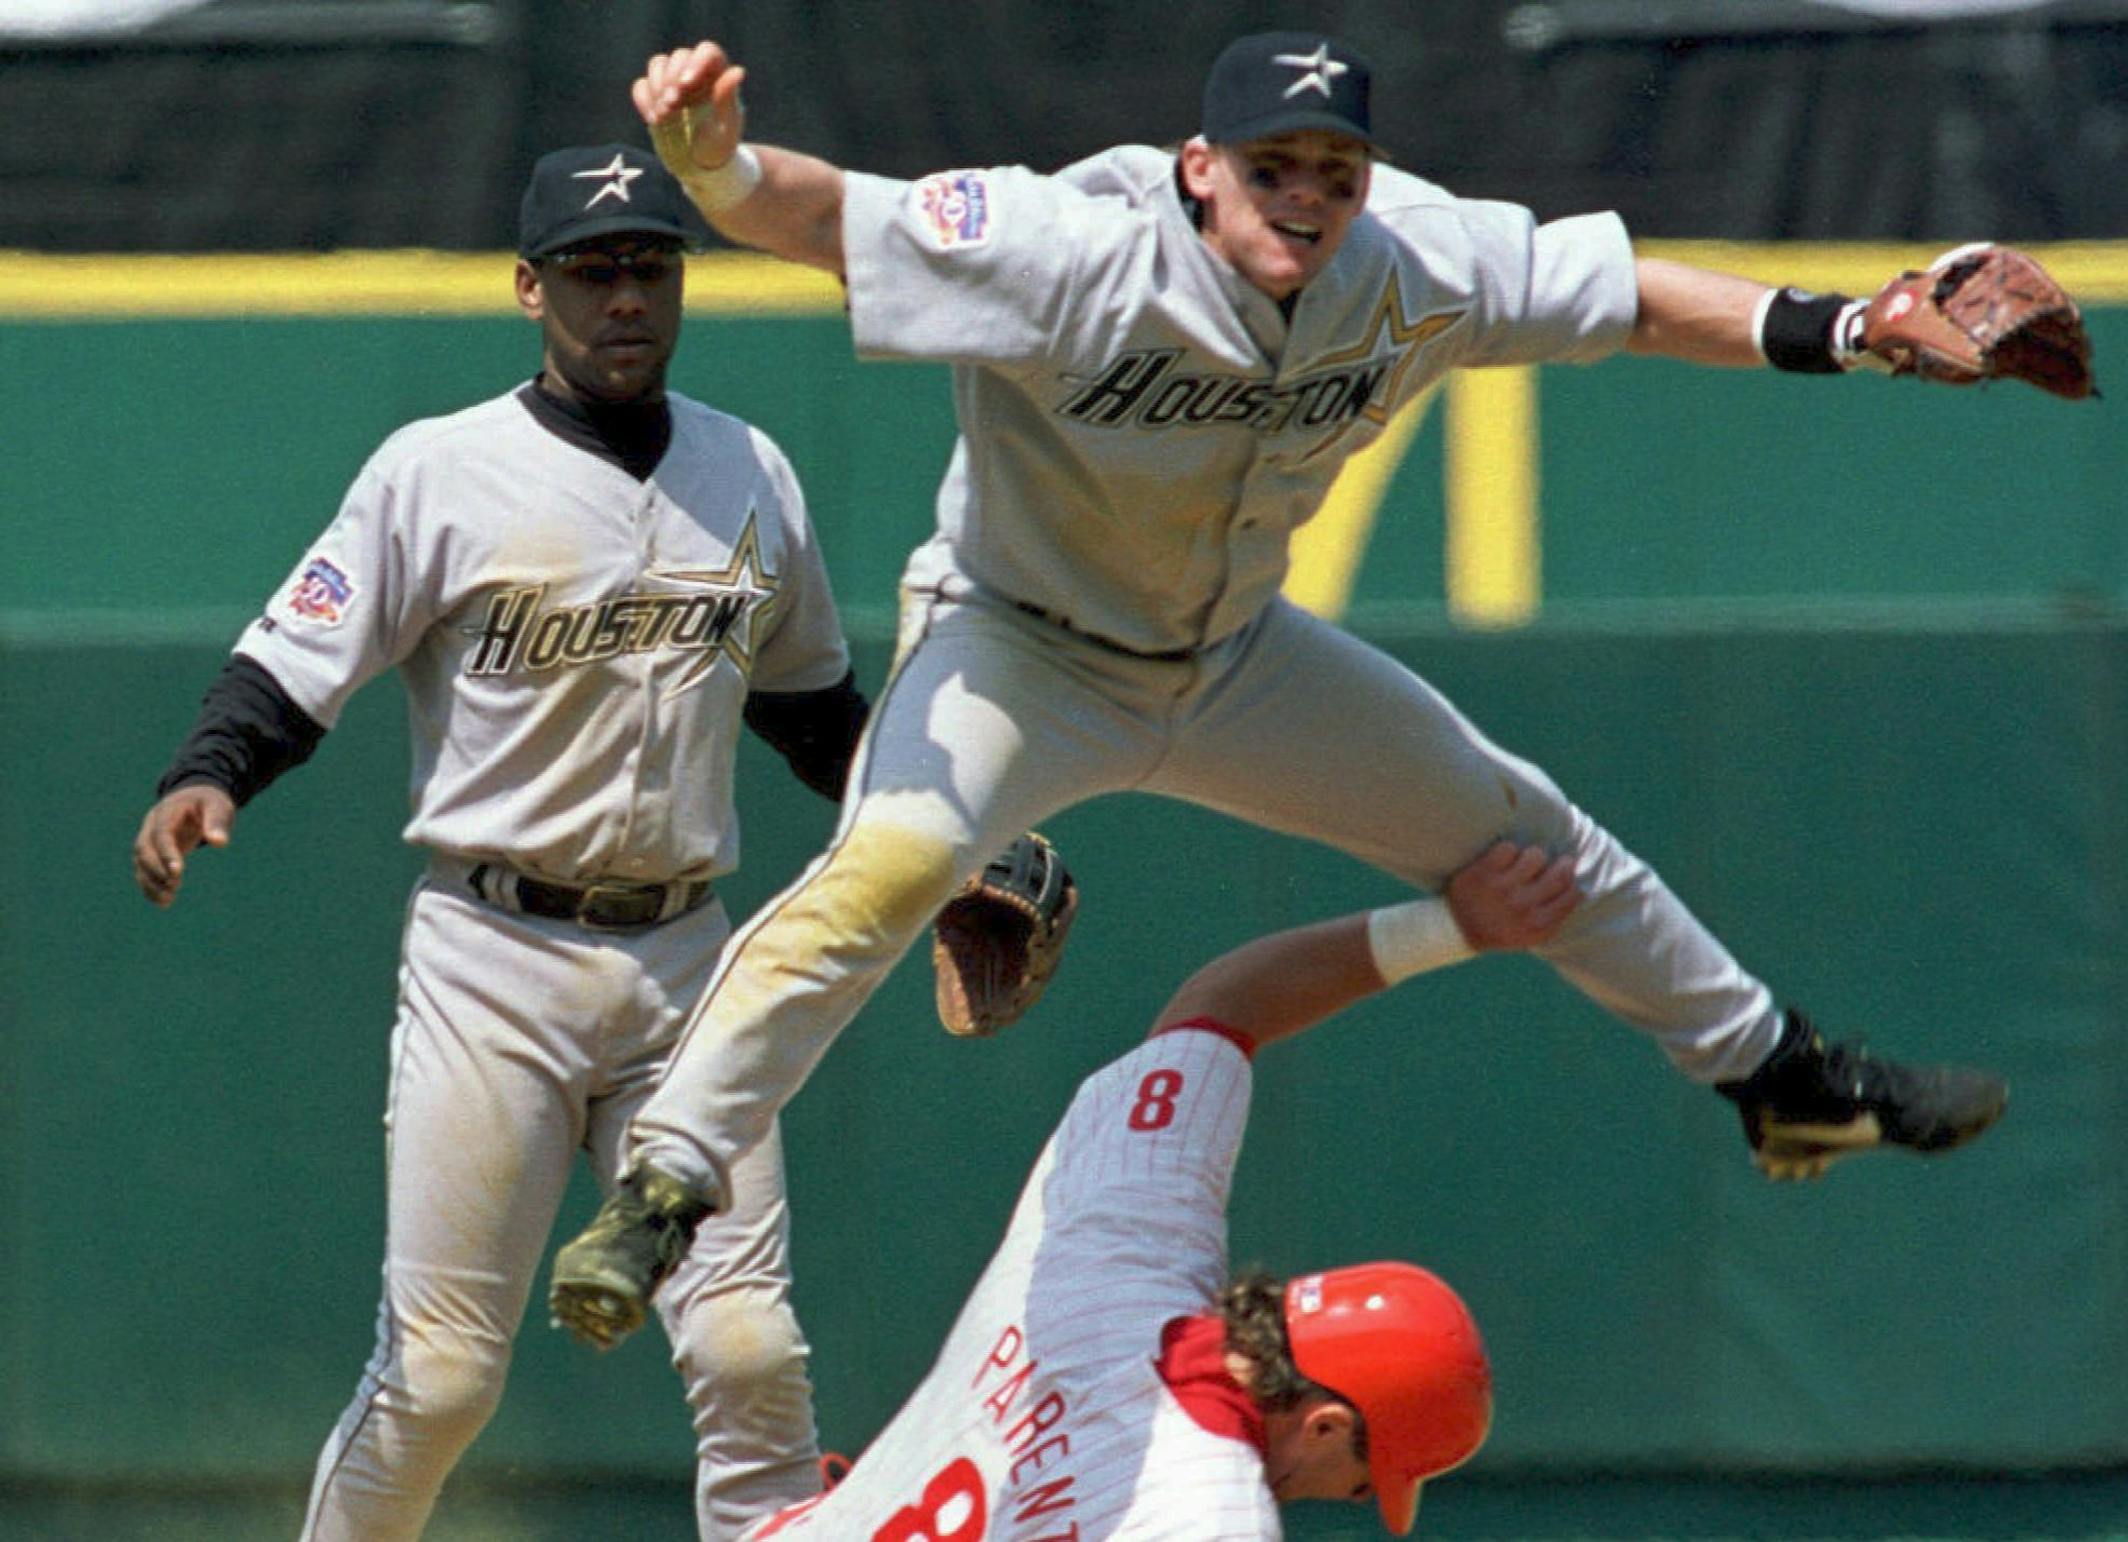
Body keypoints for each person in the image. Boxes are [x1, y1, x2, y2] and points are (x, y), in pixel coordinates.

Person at [548, 30, 2010, 1347]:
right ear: (1199, 168)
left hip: (1237, 651)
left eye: (1333, 166)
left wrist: (1845, 326)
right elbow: (822, 215)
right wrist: (714, 162)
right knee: (892, 866)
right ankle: (668, 1179)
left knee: (1531, 834)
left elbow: (1623, 292)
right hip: (1019, 642)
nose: (1304, 194)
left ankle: (1779, 1074)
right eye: (1271, 166)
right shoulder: (1067, 245)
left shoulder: (1410, 258)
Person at [130, 143, 1037, 1541]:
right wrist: (209, 772)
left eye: (651, 266)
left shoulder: (751, 466)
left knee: (749, 1354)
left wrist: (946, 842)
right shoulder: (438, 469)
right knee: (437, 1381)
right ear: (529, 287)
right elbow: (292, 660)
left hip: (688, 961)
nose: (626, 297)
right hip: (494, 957)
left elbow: (816, 718)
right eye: (593, 269)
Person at [742, 843, 1580, 1540]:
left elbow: (1225, 1003)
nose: (1355, 1499)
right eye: (1364, 1482)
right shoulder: (1210, 1511)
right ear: (1325, 1423)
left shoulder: (1125, 1236)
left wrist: (1453, 925)